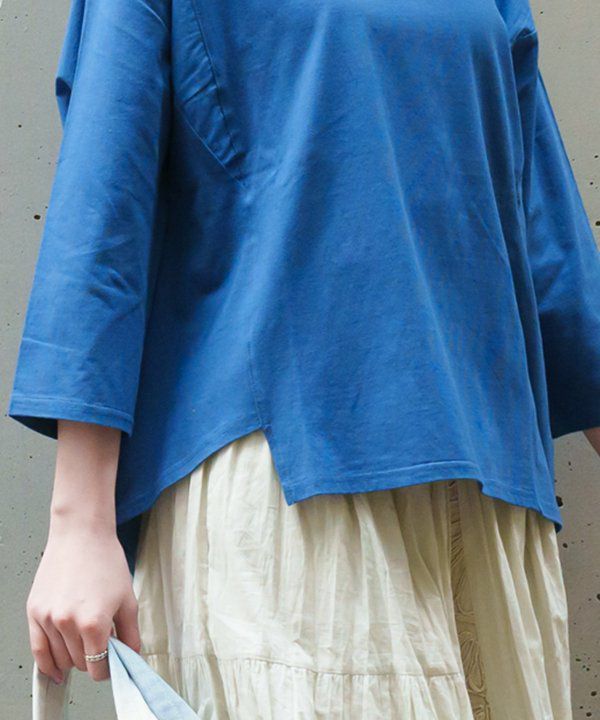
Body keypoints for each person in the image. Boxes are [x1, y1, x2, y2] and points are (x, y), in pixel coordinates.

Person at [8, 0, 600, 716]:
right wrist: (79, 523)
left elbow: (543, 227)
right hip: (292, 488)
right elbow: (104, 202)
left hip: (494, 496)